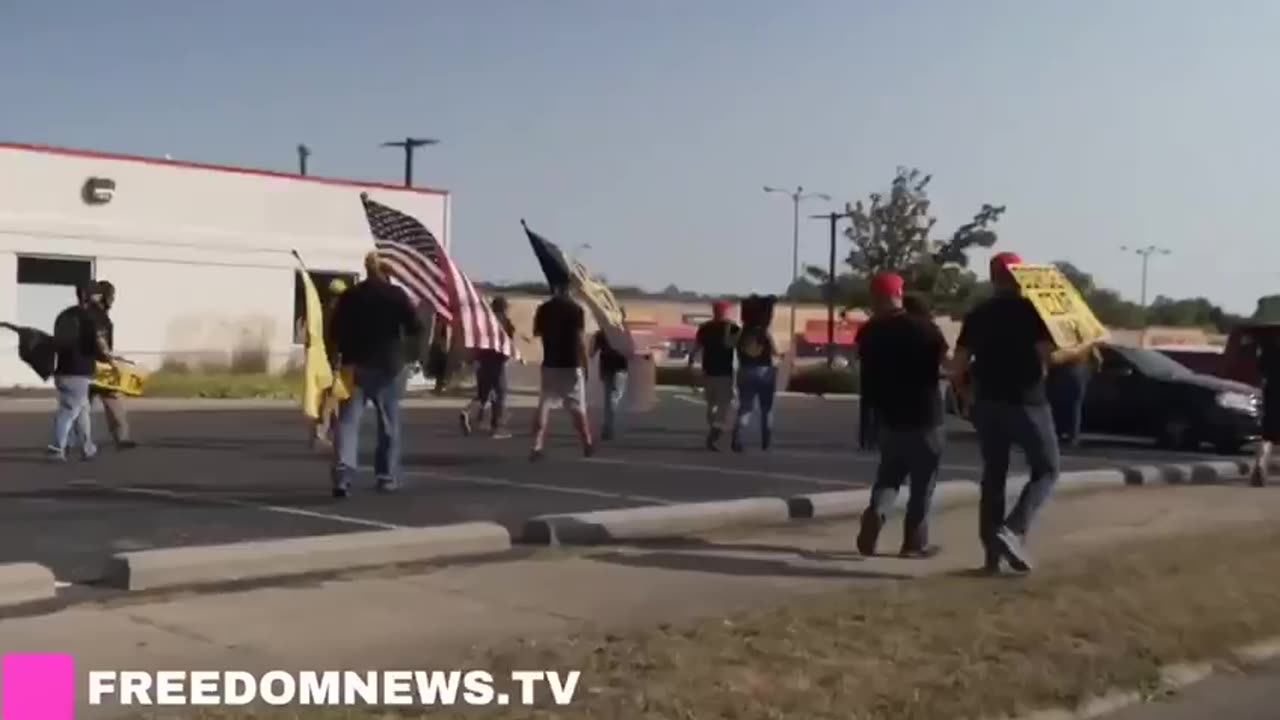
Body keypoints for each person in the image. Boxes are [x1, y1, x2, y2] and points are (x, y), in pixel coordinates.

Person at [951, 252, 1099, 574]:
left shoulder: (978, 314)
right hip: (1026, 401)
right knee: (1047, 469)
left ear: (992, 278)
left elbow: (957, 365)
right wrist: (1083, 348)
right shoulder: (1034, 312)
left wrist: (966, 395)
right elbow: (1050, 357)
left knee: (993, 478)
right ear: (1021, 275)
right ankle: (1012, 530)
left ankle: (992, 558)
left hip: (987, 403)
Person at [854, 273, 949, 557]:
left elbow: (866, 375)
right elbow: (946, 364)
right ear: (899, 292)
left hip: (889, 417)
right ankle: (914, 543)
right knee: (923, 484)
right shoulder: (924, 328)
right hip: (925, 416)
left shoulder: (868, 332)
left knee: (889, 476)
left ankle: (877, 511)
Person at [328, 253, 423, 498]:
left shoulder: (350, 296)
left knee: (348, 421)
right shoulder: (395, 295)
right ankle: (386, 475)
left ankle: (343, 471)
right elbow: (415, 327)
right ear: (386, 270)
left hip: (354, 365)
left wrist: (333, 358)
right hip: (388, 366)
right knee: (389, 423)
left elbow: (335, 329)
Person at [47, 282, 111, 462]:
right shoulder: (91, 317)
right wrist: (108, 358)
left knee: (82, 409)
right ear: (91, 296)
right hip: (79, 370)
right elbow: (100, 342)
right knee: (69, 410)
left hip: (62, 370)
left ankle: (87, 446)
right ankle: (57, 448)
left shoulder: (64, 315)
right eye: (98, 294)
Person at [530, 282, 593, 460]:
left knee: (545, 403)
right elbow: (580, 340)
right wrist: (585, 364)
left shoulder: (544, 309)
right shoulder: (576, 309)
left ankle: (537, 444)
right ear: (569, 289)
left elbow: (537, 333)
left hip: (551, 362)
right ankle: (586, 441)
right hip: (571, 363)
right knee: (577, 407)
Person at [75, 281, 136, 451]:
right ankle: (121, 438)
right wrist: (111, 359)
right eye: (112, 296)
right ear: (103, 296)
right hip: (99, 366)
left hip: (84, 365)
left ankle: (66, 439)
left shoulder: (84, 313)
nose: (113, 300)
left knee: (81, 404)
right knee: (111, 400)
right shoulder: (97, 315)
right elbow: (100, 339)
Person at [460, 296, 518, 439]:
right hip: (497, 361)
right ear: (504, 308)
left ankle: (467, 412)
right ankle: (497, 427)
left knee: (483, 394)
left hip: (483, 361)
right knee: (500, 393)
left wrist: (473, 357)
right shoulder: (506, 323)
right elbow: (508, 342)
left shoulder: (485, 322)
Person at [689, 301, 740, 450]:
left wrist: (691, 362)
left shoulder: (705, 328)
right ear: (726, 311)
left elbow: (696, 347)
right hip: (724, 372)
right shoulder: (732, 327)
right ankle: (715, 432)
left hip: (709, 371)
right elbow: (738, 347)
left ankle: (714, 429)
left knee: (711, 405)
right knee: (724, 405)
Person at [730, 298, 780, 453]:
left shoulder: (740, 333)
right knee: (767, 408)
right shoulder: (764, 334)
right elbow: (775, 353)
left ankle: (737, 436)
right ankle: (766, 441)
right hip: (765, 371)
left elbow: (730, 346)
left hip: (745, 370)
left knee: (745, 407)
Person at [310, 277, 349, 448]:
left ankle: (334, 431)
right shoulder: (337, 315)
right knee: (332, 397)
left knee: (333, 396)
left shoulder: (323, 312)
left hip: (323, 358)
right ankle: (321, 431)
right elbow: (338, 340)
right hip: (334, 359)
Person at [1046, 346, 1101, 448]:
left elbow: (1054, 357)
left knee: (1063, 404)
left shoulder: (1067, 341)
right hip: (1080, 369)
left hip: (1069, 369)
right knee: (1073, 405)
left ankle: (1064, 434)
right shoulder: (1086, 340)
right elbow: (1097, 359)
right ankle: (1071, 435)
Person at [1250, 330, 1280, 487]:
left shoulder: (1270, 345)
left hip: (1272, 391)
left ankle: (1261, 462)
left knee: (1268, 435)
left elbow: (1261, 370)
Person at [592, 318, 629, 441]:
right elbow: (630, 350)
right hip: (620, 368)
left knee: (609, 399)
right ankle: (609, 427)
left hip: (606, 368)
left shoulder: (601, 333)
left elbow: (591, 352)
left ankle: (608, 427)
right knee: (615, 398)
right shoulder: (622, 332)